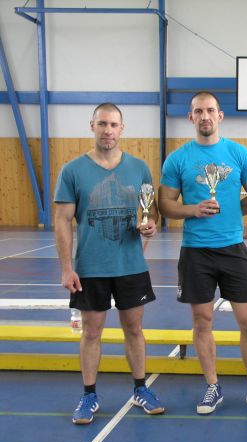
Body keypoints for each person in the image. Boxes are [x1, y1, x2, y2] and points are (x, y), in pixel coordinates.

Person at [158, 91, 247, 415]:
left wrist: (235, 211)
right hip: (196, 252)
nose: (205, 116)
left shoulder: (238, 153)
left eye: (210, 110)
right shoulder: (178, 159)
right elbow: (164, 204)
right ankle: (212, 386)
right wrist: (193, 210)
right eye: (198, 111)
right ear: (191, 117)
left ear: (220, 115)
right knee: (202, 321)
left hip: (233, 249)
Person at [54, 103, 164, 425]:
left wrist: (151, 225)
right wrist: (66, 268)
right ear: (92, 126)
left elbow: (151, 211)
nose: (108, 130)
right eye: (102, 124)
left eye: (114, 125)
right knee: (91, 332)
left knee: (134, 329)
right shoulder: (73, 171)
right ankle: (89, 395)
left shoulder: (139, 168)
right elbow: (62, 220)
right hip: (91, 268)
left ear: (122, 129)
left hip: (131, 265)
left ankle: (141, 389)